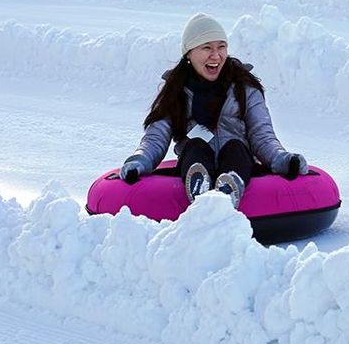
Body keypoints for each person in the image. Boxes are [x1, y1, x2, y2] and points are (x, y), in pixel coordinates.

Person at [118, 13, 309, 209]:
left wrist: (281, 158)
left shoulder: (244, 87)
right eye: (206, 47)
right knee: (195, 146)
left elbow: (262, 135)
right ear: (189, 54)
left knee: (235, 147)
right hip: (194, 160)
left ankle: (229, 188)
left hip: (238, 160)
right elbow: (156, 137)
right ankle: (199, 188)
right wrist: (139, 159)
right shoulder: (176, 91)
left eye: (221, 47)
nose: (216, 56)